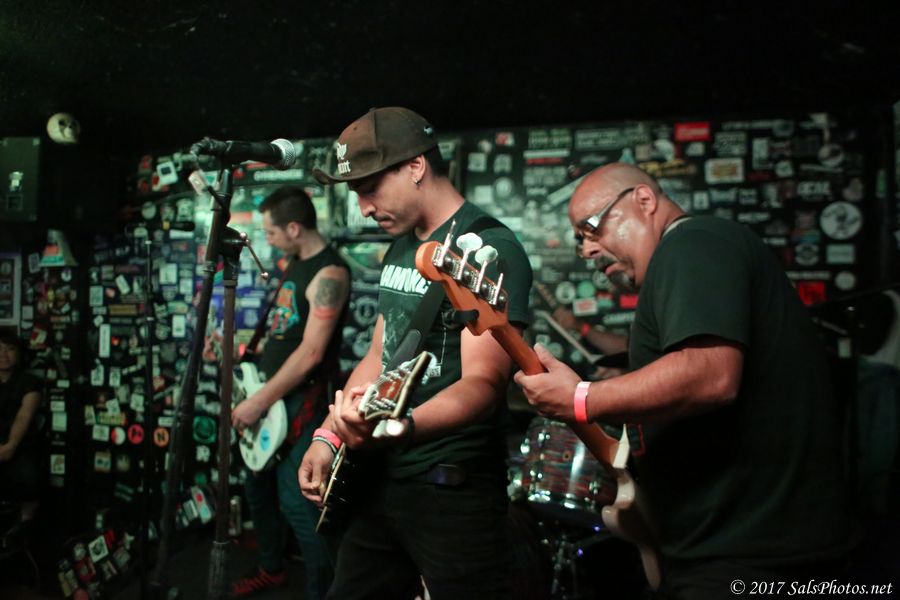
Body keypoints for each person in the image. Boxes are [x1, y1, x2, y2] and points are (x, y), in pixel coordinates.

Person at [515, 163, 857, 599]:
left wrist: (581, 398)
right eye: (579, 239)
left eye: (592, 228)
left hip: (754, 557)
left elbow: (710, 374)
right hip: (727, 550)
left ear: (644, 200)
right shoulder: (689, 257)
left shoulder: (692, 242)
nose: (587, 249)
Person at [299, 107, 533, 599]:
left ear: (415, 166)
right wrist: (330, 435)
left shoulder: (487, 250)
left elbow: (483, 384)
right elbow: (380, 354)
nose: (364, 207)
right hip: (384, 476)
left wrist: (400, 428)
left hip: (451, 486)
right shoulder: (401, 247)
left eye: (370, 189)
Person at [228, 187, 350, 599]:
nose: (267, 239)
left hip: (302, 402)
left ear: (294, 228)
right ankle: (272, 568)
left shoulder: (330, 273)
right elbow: (285, 332)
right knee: (257, 488)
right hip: (269, 396)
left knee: (298, 501)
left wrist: (256, 402)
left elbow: (312, 353)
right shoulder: (293, 264)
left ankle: (323, 593)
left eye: (271, 232)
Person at [0, 329, 43, 527]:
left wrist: (10, 446)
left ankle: (24, 527)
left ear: (18, 353)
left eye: (9, 349)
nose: (3, 354)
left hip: (19, 445)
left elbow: (24, 416)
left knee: (28, 477)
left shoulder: (30, 382)